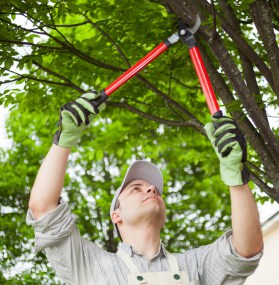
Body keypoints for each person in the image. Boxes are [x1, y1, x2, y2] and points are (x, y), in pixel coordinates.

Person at [27, 91, 263, 285]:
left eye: (155, 190)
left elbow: (246, 250)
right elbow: (43, 209)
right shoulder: (89, 265)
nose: (151, 189)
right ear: (115, 215)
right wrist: (64, 140)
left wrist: (236, 177)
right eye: (136, 188)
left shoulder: (194, 265)